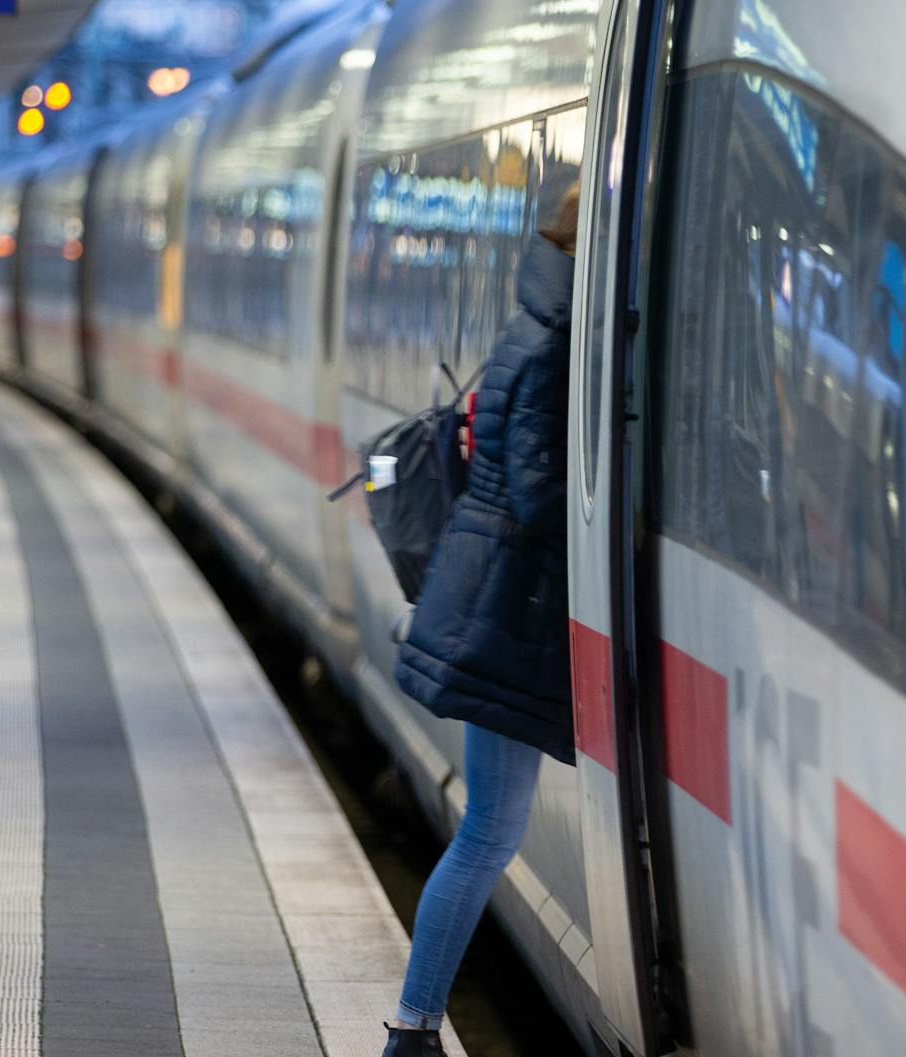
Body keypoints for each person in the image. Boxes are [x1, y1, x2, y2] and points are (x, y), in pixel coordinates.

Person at [383, 185, 581, 1057]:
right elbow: (540, 491)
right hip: (507, 612)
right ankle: (412, 1029)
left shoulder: (536, 323)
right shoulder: (554, 343)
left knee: (487, 828)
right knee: (489, 831)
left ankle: (414, 1029)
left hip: (494, 603)